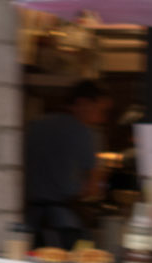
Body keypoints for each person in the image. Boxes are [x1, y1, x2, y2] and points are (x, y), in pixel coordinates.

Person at [24, 80, 111, 249]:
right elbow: (93, 188)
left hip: (31, 220)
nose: (102, 118)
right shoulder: (85, 133)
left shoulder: (36, 125)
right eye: (101, 111)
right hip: (63, 223)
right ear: (82, 104)